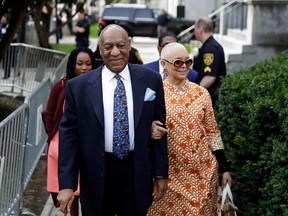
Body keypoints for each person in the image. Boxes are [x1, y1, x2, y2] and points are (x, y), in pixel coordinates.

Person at [57, 24, 168, 216]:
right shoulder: (79, 87)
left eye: (120, 45)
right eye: (108, 47)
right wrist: (67, 185)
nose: (115, 52)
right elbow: (69, 137)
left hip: (137, 172)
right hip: (96, 175)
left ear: (129, 46)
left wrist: (160, 173)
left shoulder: (151, 79)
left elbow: (159, 126)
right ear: (100, 49)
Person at [147, 42, 232, 215]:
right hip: (169, 177)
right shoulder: (154, 94)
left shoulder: (202, 93)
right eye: (178, 62)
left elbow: (212, 132)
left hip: (203, 174)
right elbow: (141, 128)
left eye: (188, 62)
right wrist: (149, 129)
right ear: (164, 64)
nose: (184, 66)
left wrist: (224, 168)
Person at [43, 47, 97, 216]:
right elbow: (50, 112)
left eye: (88, 64)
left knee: (88, 189)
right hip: (62, 142)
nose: (84, 68)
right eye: (79, 63)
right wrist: (53, 134)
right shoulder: (61, 86)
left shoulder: (98, 86)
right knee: (64, 187)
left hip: (89, 143)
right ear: (72, 65)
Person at [193, 16, 226, 106]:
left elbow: (210, 76)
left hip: (210, 97)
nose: (194, 31)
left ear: (200, 29)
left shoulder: (210, 48)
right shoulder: (211, 46)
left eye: (195, 28)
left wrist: (194, 94)